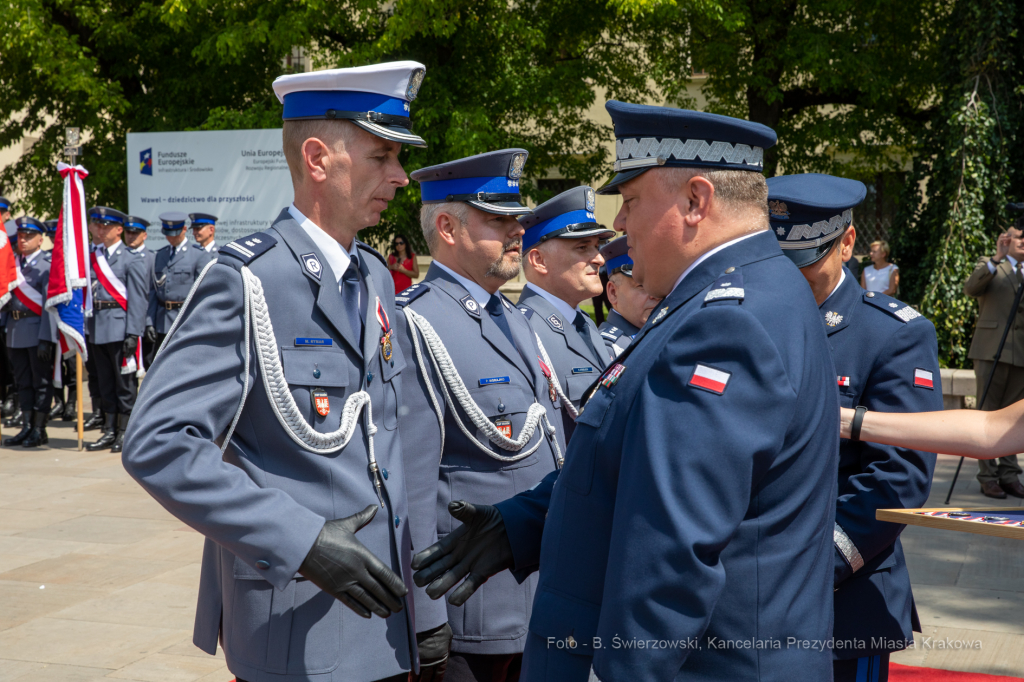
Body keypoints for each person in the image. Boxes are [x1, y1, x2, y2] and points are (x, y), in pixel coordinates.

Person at [412, 101, 840, 682]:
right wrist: (523, 523)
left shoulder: (725, 321)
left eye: (632, 202)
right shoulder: (747, 293)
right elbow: (634, 464)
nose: (621, 227)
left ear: (696, 201)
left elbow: (673, 549)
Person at [123, 61, 433, 682]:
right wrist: (302, 540)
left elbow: (395, 444)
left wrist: (425, 608)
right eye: (382, 156)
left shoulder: (372, 275)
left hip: (387, 620)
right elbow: (157, 444)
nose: (401, 177)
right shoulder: (246, 281)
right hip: (298, 626)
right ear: (318, 159)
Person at [395, 149, 567, 682]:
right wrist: (425, 617)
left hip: (535, 593)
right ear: (447, 225)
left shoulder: (512, 316)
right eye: (498, 218)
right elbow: (414, 485)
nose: (518, 230)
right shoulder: (417, 323)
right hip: (474, 610)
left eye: (517, 218)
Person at [769, 173, 942, 682]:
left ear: (846, 243)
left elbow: (899, 476)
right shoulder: (751, 320)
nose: (792, 276)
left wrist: (813, 566)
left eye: (805, 260)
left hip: (841, 595)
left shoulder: (892, 335)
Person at [515, 185, 614, 440]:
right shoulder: (522, 331)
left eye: (597, 246)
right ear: (539, 260)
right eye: (583, 248)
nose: (599, 259)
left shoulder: (584, 324)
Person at [962, 226, 1024, 499]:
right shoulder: (990, 265)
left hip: (1020, 354)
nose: (1023, 243)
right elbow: (970, 287)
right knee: (987, 415)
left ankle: (1009, 475)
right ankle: (987, 476)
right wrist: (996, 258)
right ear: (1006, 240)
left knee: (1014, 419)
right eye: (1019, 237)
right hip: (991, 351)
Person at [85, 206, 148, 453]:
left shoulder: (131, 258)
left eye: (106, 226)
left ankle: (125, 432)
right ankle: (109, 430)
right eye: (98, 225)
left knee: (124, 385)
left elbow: (138, 299)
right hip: (97, 328)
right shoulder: (93, 256)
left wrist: (133, 333)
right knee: (104, 383)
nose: (100, 230)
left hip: (120, 328)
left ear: (119, 230)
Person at [2, 216, 56, 447]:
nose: (23, 240)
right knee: (22, 381)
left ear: (41, 239)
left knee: (40, 381)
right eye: (21, 236)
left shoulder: (47, 265)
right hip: (15, 330)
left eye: (29, 236)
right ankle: (26, 426)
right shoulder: (11, 264)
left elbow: (50, 305)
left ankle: (39, 428)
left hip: (36, 330)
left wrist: (46, 337)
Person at [144, 212, 213, 361]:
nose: (170, 237)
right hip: (162, 321)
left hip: (185, 320)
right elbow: (154, 291)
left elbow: (203, 293)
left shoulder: (198, 255)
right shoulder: (160, 255)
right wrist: (150, 322)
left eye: (174, 233)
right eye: (167, 234)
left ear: (183, 230)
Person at [597, 235, 660, 357]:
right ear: (613, 293)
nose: (655, 294)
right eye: (641, 286)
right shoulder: (608, 350)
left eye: (659, 284)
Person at [123, 216, 157, 367]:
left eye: (135, 233)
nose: (131, 236)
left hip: (145, 320)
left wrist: (149, 322)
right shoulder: (119, 257)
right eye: (128, 232)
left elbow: (153, 292)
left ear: (144, 235)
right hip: (125, 322)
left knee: (149, 364)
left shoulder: (152, 258)